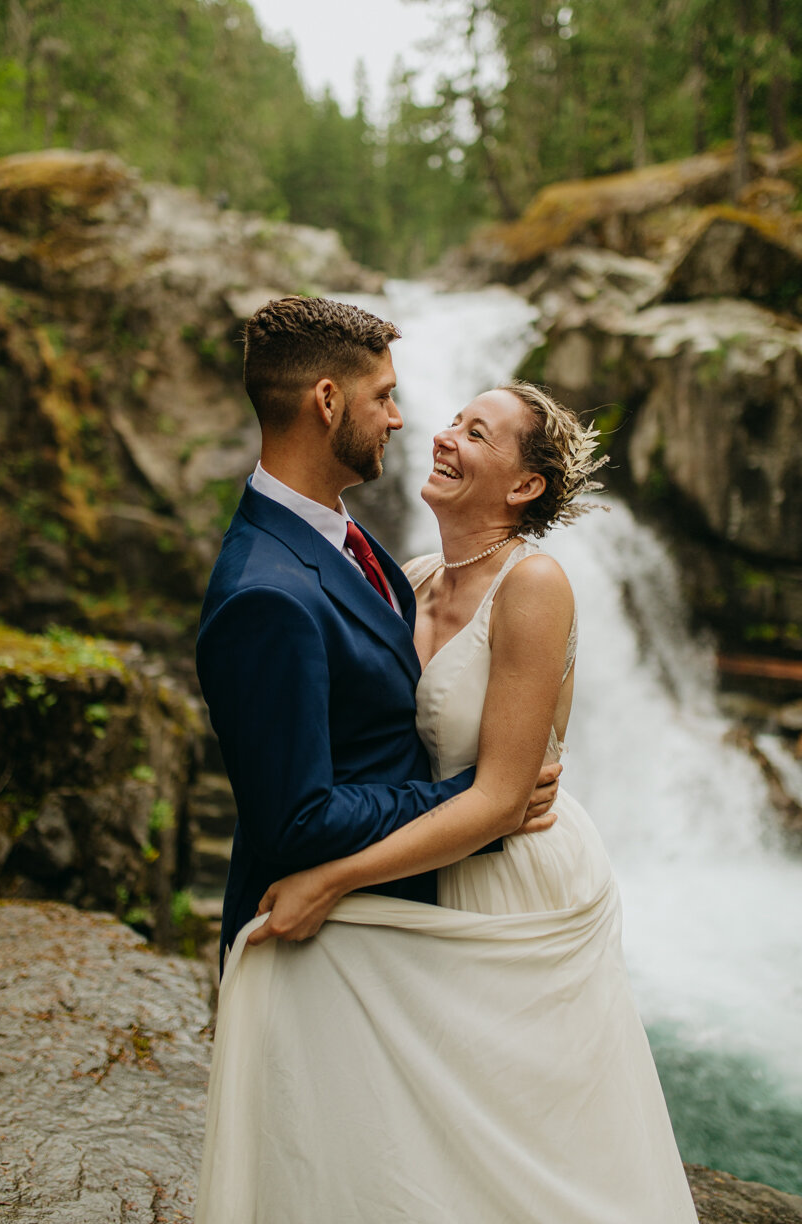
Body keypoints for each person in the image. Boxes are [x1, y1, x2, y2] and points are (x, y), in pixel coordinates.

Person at [194, 372, 700, 1222]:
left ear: (525, 484)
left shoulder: (535, 585)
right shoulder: (411, 577)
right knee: (432, 1133)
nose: (441, 435)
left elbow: (503, 800)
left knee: (520, 1135)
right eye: (453, 421)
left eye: (476, 433)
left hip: (508, 868)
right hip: (430, 852)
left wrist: (331, 878)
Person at [195, 296, 559, 975]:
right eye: (385, 397)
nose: (400, 419)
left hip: (395, 923)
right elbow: (294, 821)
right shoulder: (265, 593)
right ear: (327, 401)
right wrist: (482, 802)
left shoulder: (350, 542)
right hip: (320, 947)